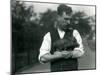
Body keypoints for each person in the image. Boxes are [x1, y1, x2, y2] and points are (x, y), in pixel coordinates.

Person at [38, 4, 84, 72]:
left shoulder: (75, 33)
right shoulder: (49, 35)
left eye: (70, 19)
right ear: (58, 17)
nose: (68, 22)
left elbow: (80, 52)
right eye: (66, 19)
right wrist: (58, 56)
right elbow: (42, 58)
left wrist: (70, 54)